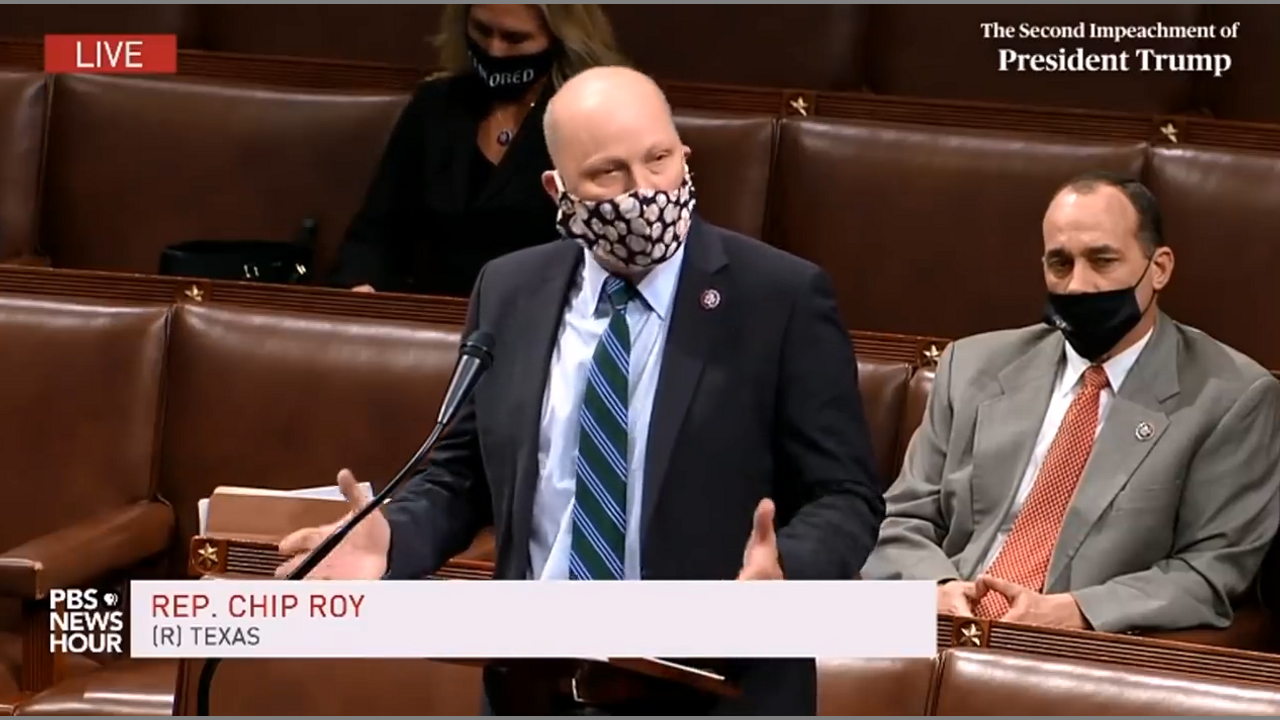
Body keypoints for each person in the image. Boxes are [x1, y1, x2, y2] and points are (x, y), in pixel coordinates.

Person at [278, 66, 885, 715]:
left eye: (658, 159)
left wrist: (788, 569)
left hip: (714, 690)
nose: (644, 191)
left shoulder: (779, 298)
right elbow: (461, 478)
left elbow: (845, 496)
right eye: (609, 174)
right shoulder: (509, 290)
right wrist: (392, 539)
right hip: (532, 690)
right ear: (557, 190)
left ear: (685, 155)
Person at [862, 171, 1280, 635]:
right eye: (1060, 264)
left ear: (1159, 268)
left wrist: (1077, 610)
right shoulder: (972, 366)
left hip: (1072, 641)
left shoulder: (1232, 397)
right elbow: (903, 517)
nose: (1078, 286)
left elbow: (1210, 571)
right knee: (793, 621)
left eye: (1102, 260)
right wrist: (934, 588)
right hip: (934, 613)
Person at [328, 4, 626, 296]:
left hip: (539, 316)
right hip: (425, 312)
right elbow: (374, 234)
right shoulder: (435, 104)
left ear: (560, 37)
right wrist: (360, 283)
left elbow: (607, 256)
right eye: (482, 30)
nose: (494, 51)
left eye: (514, 38)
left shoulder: (593, 122)